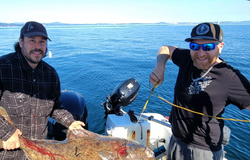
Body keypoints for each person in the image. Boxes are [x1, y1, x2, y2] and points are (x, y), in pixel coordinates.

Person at [149, 22, 250, 160]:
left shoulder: (230, 77)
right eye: (194, 46)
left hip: (203, 151)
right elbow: (166, 49)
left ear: (220, 47)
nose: (200, 53)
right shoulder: (188, 59)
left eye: (208, 46)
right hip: (176, 141)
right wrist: (160, 66)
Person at [0, 21, 85, 159]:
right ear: (21, 42)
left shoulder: (51, 74)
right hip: (8, 153)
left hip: (41, 153)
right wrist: (7, 132)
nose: (38, 46)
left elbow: (55, 107)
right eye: (32, 41)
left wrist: (70, 122)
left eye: (42, 41)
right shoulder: (3, 67)